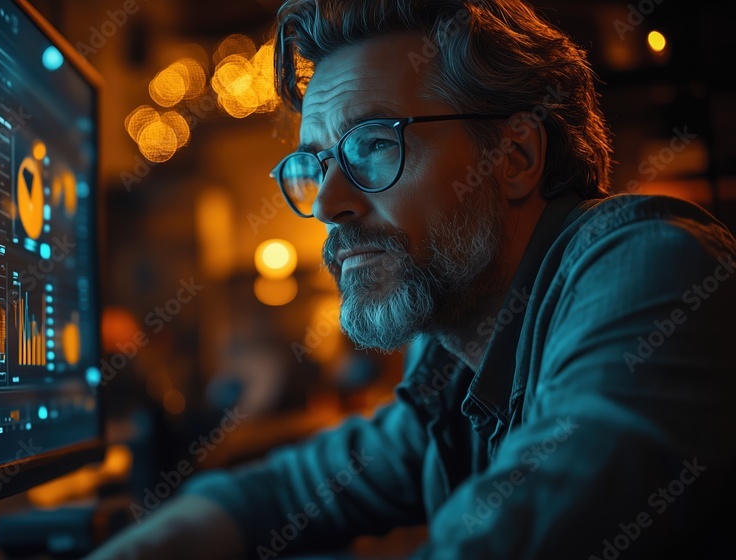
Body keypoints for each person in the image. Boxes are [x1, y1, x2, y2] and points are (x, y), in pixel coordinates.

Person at [85, 0, 736, 558]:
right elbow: (281, 491)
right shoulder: (453, 360)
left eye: (373, 143)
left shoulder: (651, 267)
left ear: (515, 157)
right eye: (314, 163)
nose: (325, 203)